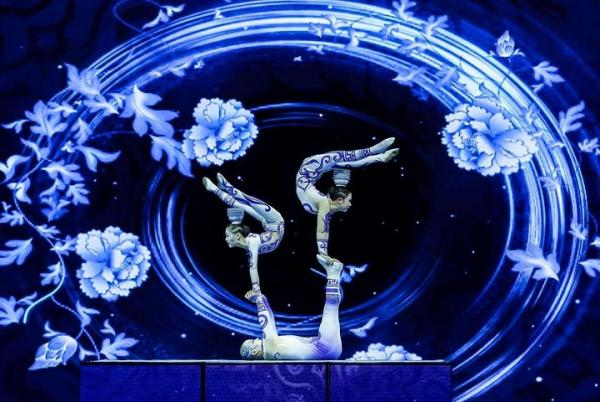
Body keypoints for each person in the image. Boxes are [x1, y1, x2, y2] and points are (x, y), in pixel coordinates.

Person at [295, 137, 399, 260]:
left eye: (348, 200)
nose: (350, 204)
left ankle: (373, 151)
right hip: (311, 173)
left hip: (308, 170)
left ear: (339, 200)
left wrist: (323, 253)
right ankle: (380, 157)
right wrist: (324, 254)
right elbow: (325, 228)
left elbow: (322, 230)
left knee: (342, 158)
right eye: (349, 201)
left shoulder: (324, 203)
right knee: (343, 163)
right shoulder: (326, 207)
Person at [240, 254, 344, 360]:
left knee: (331, 306)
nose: (256, 339)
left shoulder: (273, 349)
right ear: (253, 351)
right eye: (252, 341)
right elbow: (266, 323)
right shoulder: (269, 350)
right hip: (325, 348)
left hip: (324, 347)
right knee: (331, 305)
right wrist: (258, 300)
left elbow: (270, 322)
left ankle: (333, 273)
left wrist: (263, 300)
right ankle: (333, 272)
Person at [203, 173, 284, 301]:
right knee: (248, 202)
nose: (225, 239)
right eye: (227, 235)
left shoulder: (251, 244)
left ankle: (216, 188)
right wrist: (256, 291)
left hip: (270, 224)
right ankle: (224, 187)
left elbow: (252, 267)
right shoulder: (252, 242)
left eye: (227, 236)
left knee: (242, 204)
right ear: (237, 235)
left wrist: (256, 290)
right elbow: (253, 267)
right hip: (276, 221)